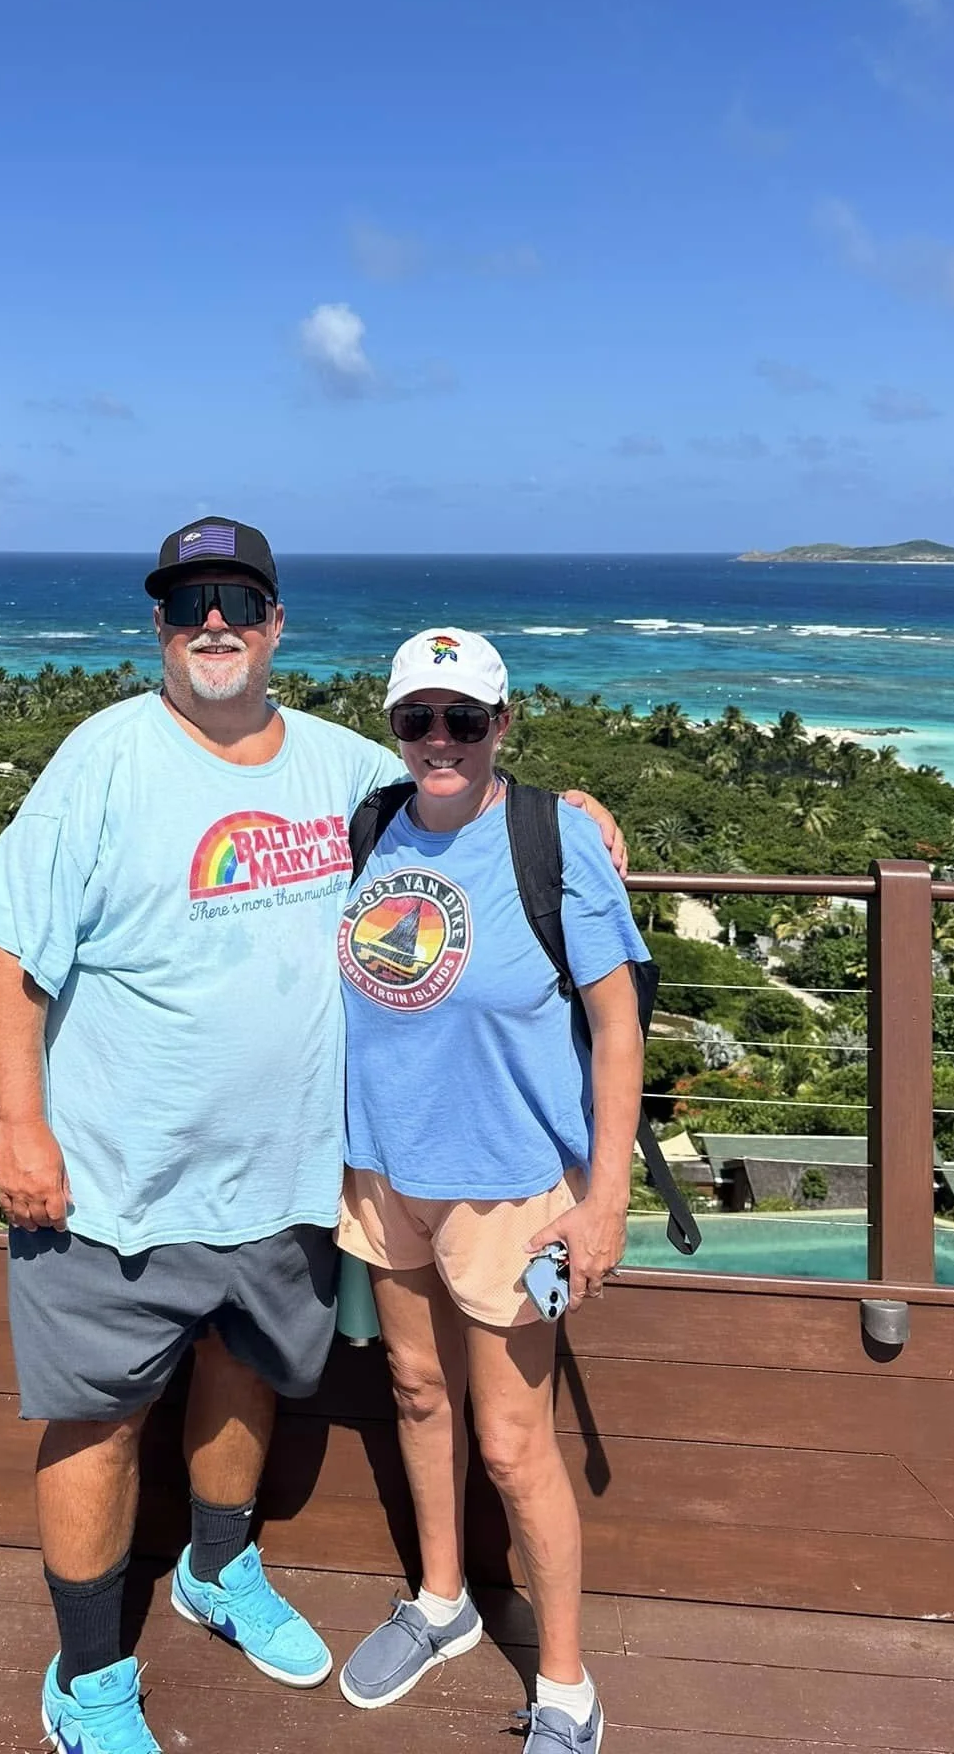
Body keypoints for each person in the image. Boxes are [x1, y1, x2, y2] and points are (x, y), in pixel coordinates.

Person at [0, 522, 626, 1754]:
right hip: (118, 1178)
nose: (214, 621)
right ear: (160, 625)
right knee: (97, 1420)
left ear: (274, 622)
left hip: (289, 1176)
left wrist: (575, 809)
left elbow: (461, 784)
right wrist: (21, 1125)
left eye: (239, 600)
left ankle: (217, 1568)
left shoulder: (342, 768)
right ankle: (89, 1677)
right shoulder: (103, 757)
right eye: (188, 602)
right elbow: (10, 958)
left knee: (244, 1368)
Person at [335, 627, 647, 1754]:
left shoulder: (552, 839)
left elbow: (616, 1027)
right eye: (419, 718)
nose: (441, 740)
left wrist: (604, 1197)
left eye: (465, 719)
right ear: (394, 726)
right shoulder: (369, 825)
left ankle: (565, 1683)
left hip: (513, 1187)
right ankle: (441, 1597)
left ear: (503, 724)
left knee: (517, 1443)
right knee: (418, 1390)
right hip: (382, 1167)